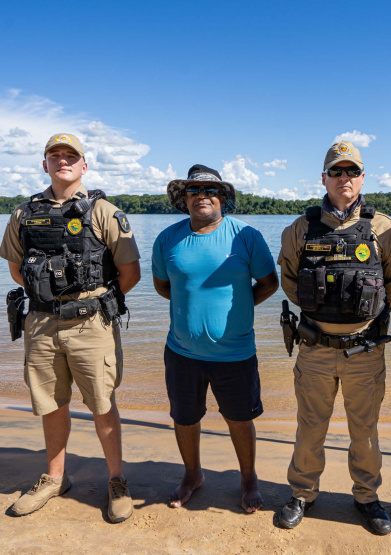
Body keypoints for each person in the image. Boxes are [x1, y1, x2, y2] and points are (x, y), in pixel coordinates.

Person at [0, 133, 141, 523]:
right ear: (44, 164)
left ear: (83, 165)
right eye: (54, 155)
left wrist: (90, 303)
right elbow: (15, 268)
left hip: (91, 324)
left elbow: (130, 273)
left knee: (101, 401)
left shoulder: (105, 212)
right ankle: (55, 478)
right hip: (41, 323)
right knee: (51, 402)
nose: (63, 161)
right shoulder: (23, 214)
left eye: (70, 156)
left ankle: (117, 481)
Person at [275, 141, 391, 535]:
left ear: (362, 178)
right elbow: (290, 284)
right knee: (309, 427)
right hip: (315, 347)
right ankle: (302, 493)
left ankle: (367, 497)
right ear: (324, 178)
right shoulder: (300, 228)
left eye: (351, 171)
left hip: (364, 350)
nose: (344, 178)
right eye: (336, 171)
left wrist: (360, 318)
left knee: (365, 431)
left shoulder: (384, 228)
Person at [151, 164, 279, 513]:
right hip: (182, 351)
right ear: (184, 199)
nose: (202, 196)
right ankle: (192, 475)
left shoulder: (246, 236)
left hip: (235, 352)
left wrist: (237, 311)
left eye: (210, 190)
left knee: (240, 419)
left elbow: (269, 283)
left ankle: (248, 478)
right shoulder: (167, 239)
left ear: (222, 196)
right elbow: (165, 287)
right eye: (193, 191)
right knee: (185, 418)